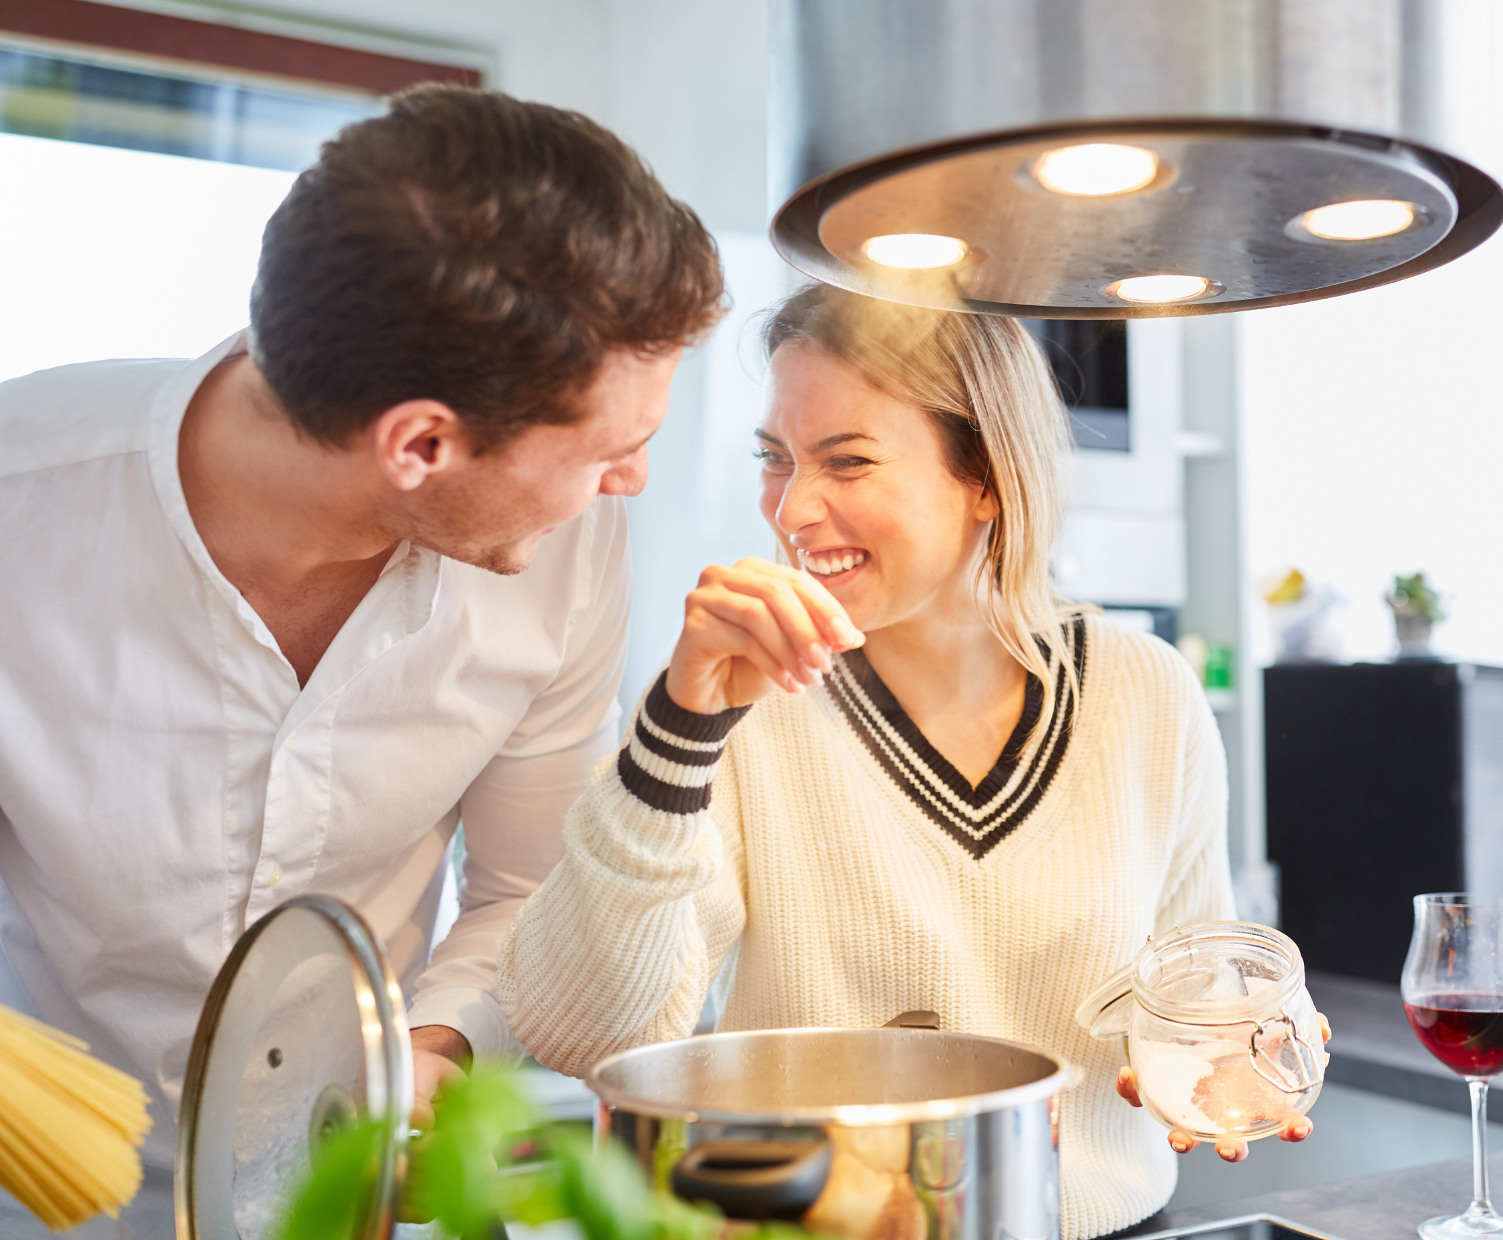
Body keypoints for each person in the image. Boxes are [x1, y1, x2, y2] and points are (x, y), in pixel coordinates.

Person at [0, 85, 723, 1231]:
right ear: (420, 442)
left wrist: (431, 1049)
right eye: (613, 448)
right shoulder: (19, 507)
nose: (629, 480)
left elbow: (525, 887)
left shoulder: (570, 551)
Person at [498, 284, 1315, 1240]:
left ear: (987, 478)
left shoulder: (1146, 692)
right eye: (775, 459)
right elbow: (582, 1031)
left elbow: (1203, 984)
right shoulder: (738, 703)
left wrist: (1244, 1044)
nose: (792, 508)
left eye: (846, 461)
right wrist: (676, 732)